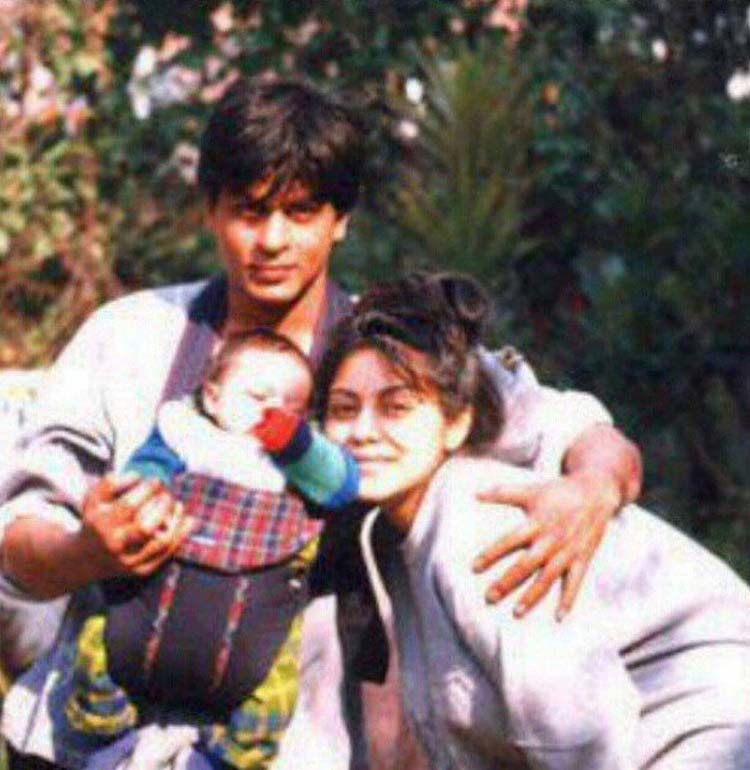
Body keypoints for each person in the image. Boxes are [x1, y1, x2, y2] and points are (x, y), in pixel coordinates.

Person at [0, 76, 641, 770]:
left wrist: (592, 489)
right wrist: (88, 551)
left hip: (289, 744)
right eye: (250, 211)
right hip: (84, 738)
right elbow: (16, 542)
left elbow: (580, 431)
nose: (273, 240)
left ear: (340, 219)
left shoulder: (392, 351)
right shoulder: (130, 336)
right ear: (211, 210)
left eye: (301, 212)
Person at [319, 272, 750, 770]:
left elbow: (581, 737)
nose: (363, 432)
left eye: (395, 407)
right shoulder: (394, 532)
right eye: (343, 410)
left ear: (456, 423)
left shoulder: (476, 524)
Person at [50, 328, 361, 769]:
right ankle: (106, 736)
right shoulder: (184, 430)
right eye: (258, 396)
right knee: (96, 647)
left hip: (260, 596)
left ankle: (229, 758)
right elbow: (146, 470)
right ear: (213, 398)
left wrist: (297, 444)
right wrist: (141, 494)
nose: (274, 410)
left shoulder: (299, 458)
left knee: (273, 693)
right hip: (160, 581)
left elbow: (341, 487)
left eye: (294, 406)